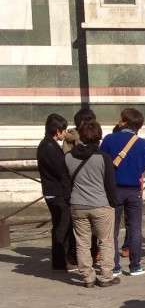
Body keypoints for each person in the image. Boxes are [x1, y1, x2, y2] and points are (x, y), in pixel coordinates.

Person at [65, 120, 120, 288]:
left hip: (77, 204)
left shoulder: (68, 157)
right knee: (106, 241)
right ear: (98, 137)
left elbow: (65, 182)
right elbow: (110, 184)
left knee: (82, 242)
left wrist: (70, 201)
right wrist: (113, 203)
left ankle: (88, 277)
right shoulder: (103, 157)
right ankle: (106, 276)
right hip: (100, 204)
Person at [99, 107, 145, 276]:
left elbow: (102, 162)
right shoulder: (144, 144)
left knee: (112, 230)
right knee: (135, 228)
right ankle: (135, 265)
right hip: (134, 191)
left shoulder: (109, 139)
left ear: (123, 122)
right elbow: (142, 168)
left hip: (113, 189)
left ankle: (114, 266)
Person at [37, 113, 76, 271]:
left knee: (62, 226)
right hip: (57, 193)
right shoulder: (49, 147)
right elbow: (61, 171)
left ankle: (63, 259)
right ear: (57, 130)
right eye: (64, 130)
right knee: (61, 227)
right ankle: (60, 262)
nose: (65, 133)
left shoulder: (48, 145)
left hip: (54, 191)